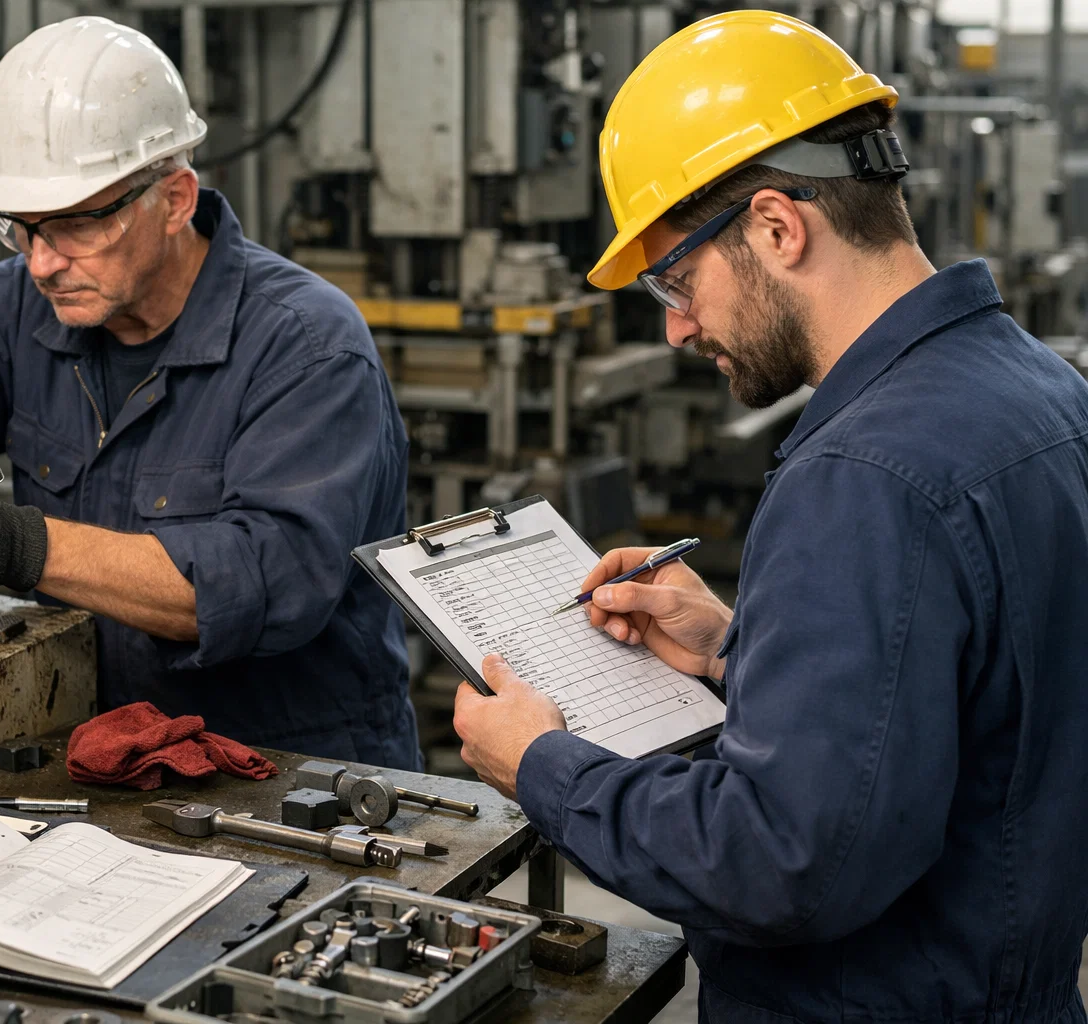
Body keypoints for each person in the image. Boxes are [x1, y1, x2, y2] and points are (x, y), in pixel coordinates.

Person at [453, 11, 1088, 1021]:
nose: (675, 324)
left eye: (676, 277)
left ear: (777, 227)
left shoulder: (863, 474)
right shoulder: (1040, 393)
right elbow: (974, 709)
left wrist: (543, 766)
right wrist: (735, 650)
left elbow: (782, 861)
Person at [0, 17, 419, 769]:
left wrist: (20, 545)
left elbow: (263, 580)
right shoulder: (21, 303)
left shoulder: (307, 348)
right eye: (18, 227)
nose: (41, 262)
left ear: (173, 200)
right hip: (100, 761)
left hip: (293, 775)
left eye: (73, 225)